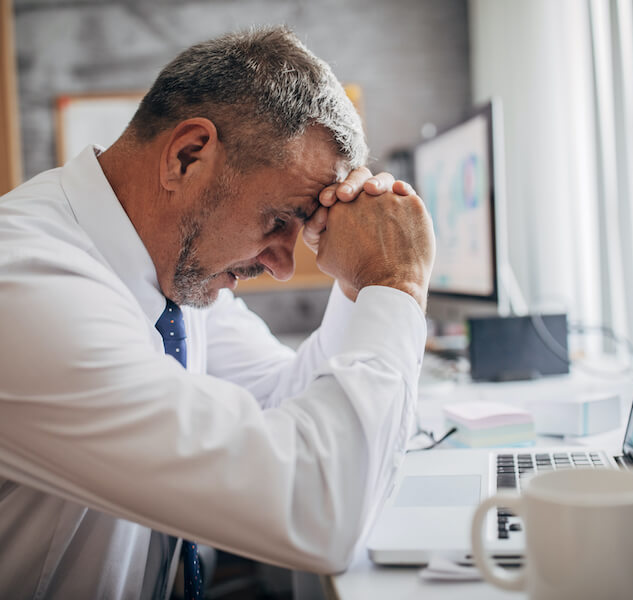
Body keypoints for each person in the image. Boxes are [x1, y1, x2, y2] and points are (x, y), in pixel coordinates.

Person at [0, 26, 435, 599]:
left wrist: (361, 283)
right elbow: (316, 512)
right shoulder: (28, 285)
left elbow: (283, 398)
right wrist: (395, 282)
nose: (283, 265)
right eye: (279, 220)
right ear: (187, 156)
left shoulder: (174, 275)